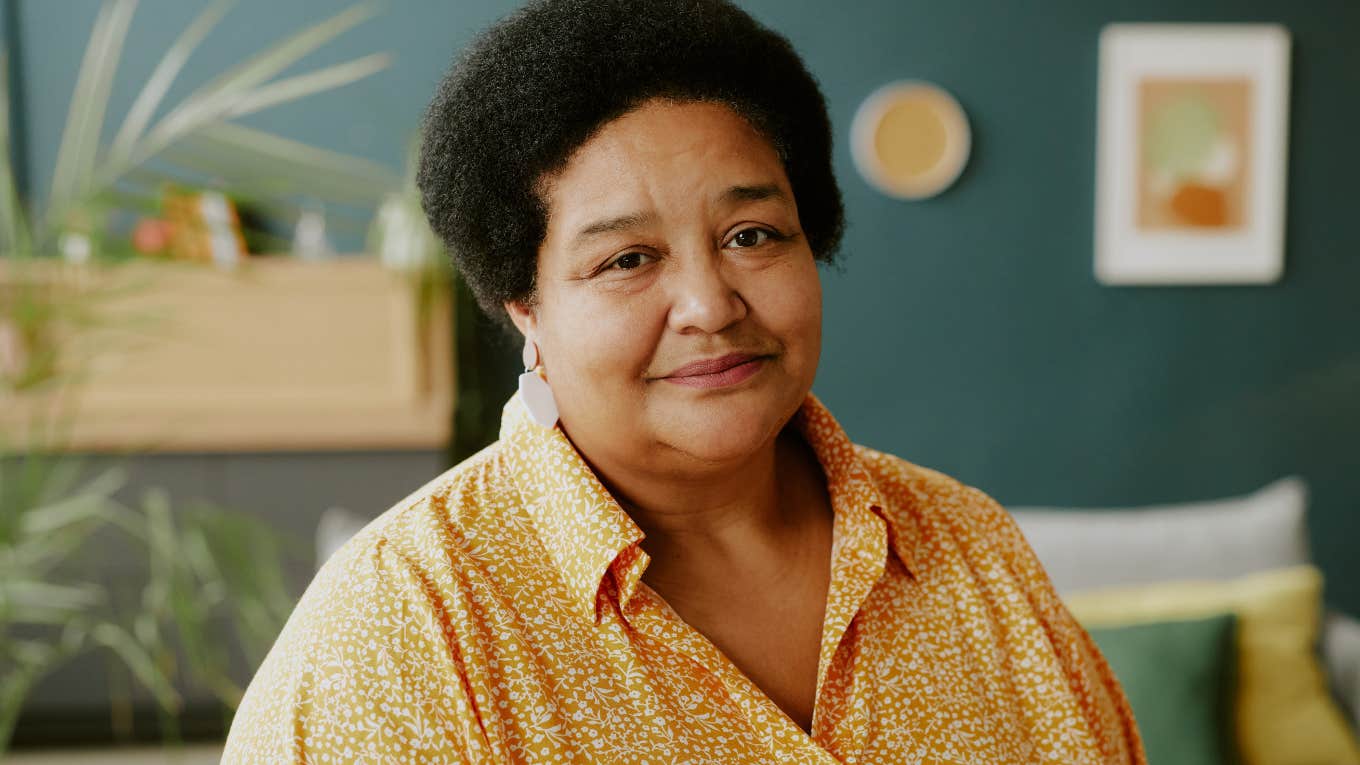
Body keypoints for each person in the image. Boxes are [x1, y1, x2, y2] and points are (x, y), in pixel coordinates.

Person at [223, 0, 1146, 762]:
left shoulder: (971, 549)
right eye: (627, 258)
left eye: (752, 236)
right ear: (524, 304)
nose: (709, 302)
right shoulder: (401, 629)